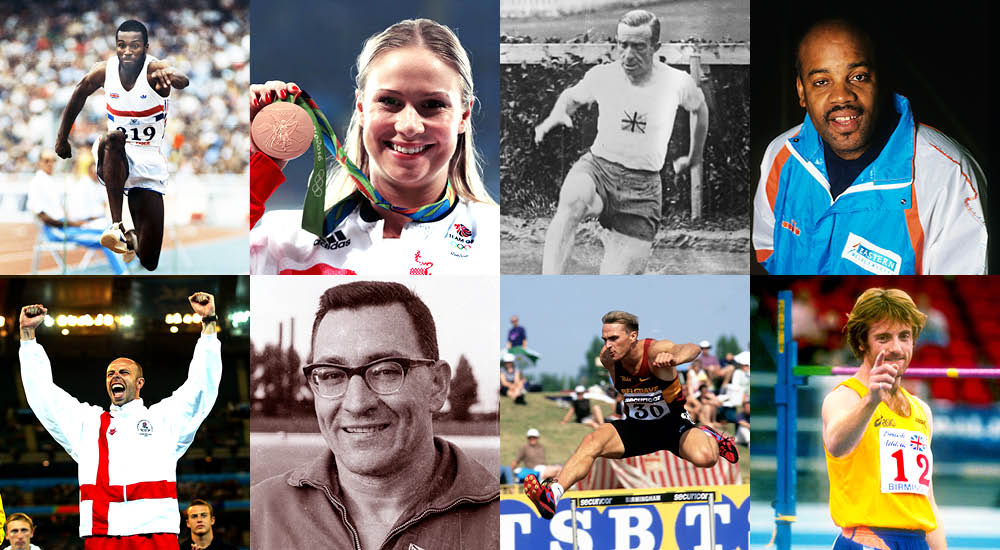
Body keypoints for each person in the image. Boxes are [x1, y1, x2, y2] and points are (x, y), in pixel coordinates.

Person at [250, 281, 498, 549]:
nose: (357, 404)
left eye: (386, 371)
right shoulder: (258, 515)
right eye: (332, 375)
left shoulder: (517, 521)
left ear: (437, 385)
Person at [249, 19, 498, 275]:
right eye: (389, 101)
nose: (409, 126)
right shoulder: (282, 245)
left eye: (433, 104)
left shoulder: (498, 241)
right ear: (361, 108)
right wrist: (252, 169)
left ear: (464, 116)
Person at [753, 18, 987, 275]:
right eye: (822, 81)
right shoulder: (781, 155)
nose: (841, 96)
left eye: (858, 77)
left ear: (881, 81)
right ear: (801, 90)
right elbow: (768, 253)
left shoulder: (947, 178)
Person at [18, 293, 221, 549]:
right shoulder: (88, 424)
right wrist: (28, 339)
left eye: (124, 372)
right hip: (102, 533)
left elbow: (201, 387)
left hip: (156, 533)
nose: (115, 376)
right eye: (110, 373)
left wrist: (209, 324)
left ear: (139, 383)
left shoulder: (164, 419)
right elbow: (44, 397)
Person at [535, 9, 708, 275]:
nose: (628, 55)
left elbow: (700, 108)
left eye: (638, 46)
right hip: (598, 170)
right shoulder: (602, 75)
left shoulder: (676, 82)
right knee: (573, 197)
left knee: (614, 285)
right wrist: (556, 114)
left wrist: (694, 156)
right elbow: (571, 98)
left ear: (655, 47)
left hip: (642, 190)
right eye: (622, 44)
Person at [524, 310, 737, 520]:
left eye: (614, 338)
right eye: (605, 339)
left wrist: (673, 358)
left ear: (633, 336)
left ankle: (713, 438)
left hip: (672, 426)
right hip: (637, 428)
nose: (608, 345)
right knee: (592, 440)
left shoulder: (654, 350)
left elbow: (693, 348)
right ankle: (553, 494)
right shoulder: (608, 358)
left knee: (706, 458)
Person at [54, 19, 188, 272]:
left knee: (149, 261)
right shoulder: (104, 71)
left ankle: (130, 240)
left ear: (146, 47)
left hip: (148, 160)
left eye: (135, 46)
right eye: (121, 45)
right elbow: (79, 92)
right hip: (114, 156)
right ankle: (116, 226)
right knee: (113, 137)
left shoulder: (155, 69)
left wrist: (170, 75)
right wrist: (62, 138)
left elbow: (183, 80)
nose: (127, 51)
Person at [821, 288, 943, 550]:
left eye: (905, 336)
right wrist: (871, 401)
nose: (897, 348)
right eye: (884, 338)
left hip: (916, 542)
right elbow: (836, 444)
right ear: (863, 342)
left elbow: (926, 499)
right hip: (868, 541)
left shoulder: (921, 410)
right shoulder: (846, 397)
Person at [28, 153, 129, 273]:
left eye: (53, 161)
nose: (51, 164)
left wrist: (73, 223)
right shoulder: (36, 183)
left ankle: (128, 265)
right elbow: (43, 217)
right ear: (39, 162)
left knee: (111, 233)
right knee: (105, 239)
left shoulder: (49, 181)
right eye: (46, 161)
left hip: (66, 226)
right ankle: (123, 274)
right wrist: (72, 224)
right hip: (56, 231)